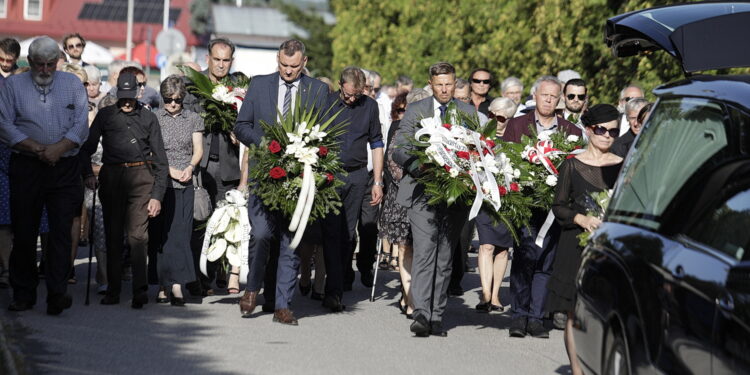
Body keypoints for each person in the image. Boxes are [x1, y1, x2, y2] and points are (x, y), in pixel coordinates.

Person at [234, 39, 329, 325]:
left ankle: (283, 306)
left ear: (305, 62)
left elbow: (327, 133)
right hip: (265, 174)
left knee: (291, 242)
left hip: (300, 179)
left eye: (294, 66)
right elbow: (241, 126)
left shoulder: (318, 90)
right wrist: (263, 143)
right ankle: (253, 287)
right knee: (261, 234)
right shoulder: (260, 85)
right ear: (277, 59)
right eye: (283, 65)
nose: (288, 71)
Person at [0, 36, 89, 315]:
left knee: (61, 233)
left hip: (63, 167)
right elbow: (3, 124)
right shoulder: (13, 85)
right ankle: (24, 294)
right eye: (40, 64)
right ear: (31, 61)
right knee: (25, 233)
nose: (46, 70)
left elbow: (81, 126)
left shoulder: (72, 84)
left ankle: (56, 294)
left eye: (51, 64)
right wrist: (36, 148)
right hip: (27, 165)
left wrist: (58, 148)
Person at [392, 62, 475, 337]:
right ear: (431, 84)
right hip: (422, 192)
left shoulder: (467, 111)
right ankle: (421, 313)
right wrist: (415, 164)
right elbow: (401, 146)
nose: (444, 89)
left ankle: (437, 314)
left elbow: (478, 149)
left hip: (455, 195)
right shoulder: (417, 109)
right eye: (439, 84)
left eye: (449, 84)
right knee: (425, 252)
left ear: (455, 83)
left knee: (445, 255)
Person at [502, 75, 582, 339]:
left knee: (547, 263)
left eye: (553, 96)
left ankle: (536, 318)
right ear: (535, 96)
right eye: (544, 95)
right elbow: (505, 162)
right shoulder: (517, 125)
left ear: (559, 100)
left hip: (554, 208)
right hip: (525, 204)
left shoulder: (571, 133)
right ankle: (518, 316)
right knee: (524, 259)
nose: (548, 99)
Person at [546, 104, 623, 375]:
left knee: (608, 312)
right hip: (575, 245)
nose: (608, 136)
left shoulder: (623, 166)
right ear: (590, 130)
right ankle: (578, 371)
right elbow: (559, 206)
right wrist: (582, 219)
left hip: (611, 248)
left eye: (614, 131)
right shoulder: (572, 165)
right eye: (602, 130)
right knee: (574, 311)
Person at [81, 71, 169, 309]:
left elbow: (161, 159)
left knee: (137, 236)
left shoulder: (149, 118)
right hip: (112, 177)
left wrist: (157, 196)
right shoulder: (106, 115)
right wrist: (88, 174)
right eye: (123, 96)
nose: (128, 101)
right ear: (117, 92)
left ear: (139, 93)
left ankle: (140, 291)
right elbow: (86, 148)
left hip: (141, 177)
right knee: (113, 235)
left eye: (131, 96)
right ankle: (113, 289)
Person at [319, 66, 384, 311]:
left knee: (347, 234)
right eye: (348, 95)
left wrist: (377, 181)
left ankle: (336, 285)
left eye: (357, 95)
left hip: (357, 176)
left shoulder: (369, 106)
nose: (352, 99)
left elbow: (377, 143)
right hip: (329, 175)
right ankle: (331, 287)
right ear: (339, 86)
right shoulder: (325, 102)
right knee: (331, 233)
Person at [184, 38, 242, 297]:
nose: (220, 65)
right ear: (207, 58)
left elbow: (248, 122)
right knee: (200, 221)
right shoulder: (195, 86)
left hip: (229, 166)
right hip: (201, 165)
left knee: (224, 223)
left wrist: (238, 131)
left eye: (225, 60)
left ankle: (220, 270)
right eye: (216, 59)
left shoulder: (239, 89)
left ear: (231, 61)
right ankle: (199, 278)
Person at [150, 75, 204, 306]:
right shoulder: (153, 118)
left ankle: (177, 285)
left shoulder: (193, 118)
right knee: (162, 235)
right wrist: (169, 170)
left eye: (177, 99)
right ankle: (163, 285)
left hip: (185, 182)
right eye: (168, 99)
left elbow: (198, 149)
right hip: (161, 183)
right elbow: (149, 151)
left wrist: (190, 167)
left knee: (180, 235)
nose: (172, 104)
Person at [378, 92, 413, 316]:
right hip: (400, 193)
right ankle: (408, 295)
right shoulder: (396, 129)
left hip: (422, 195)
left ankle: (411, 293)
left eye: (407, 111)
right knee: (404, 245)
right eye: (400, 111)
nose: (403, 115)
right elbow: (391, 161)